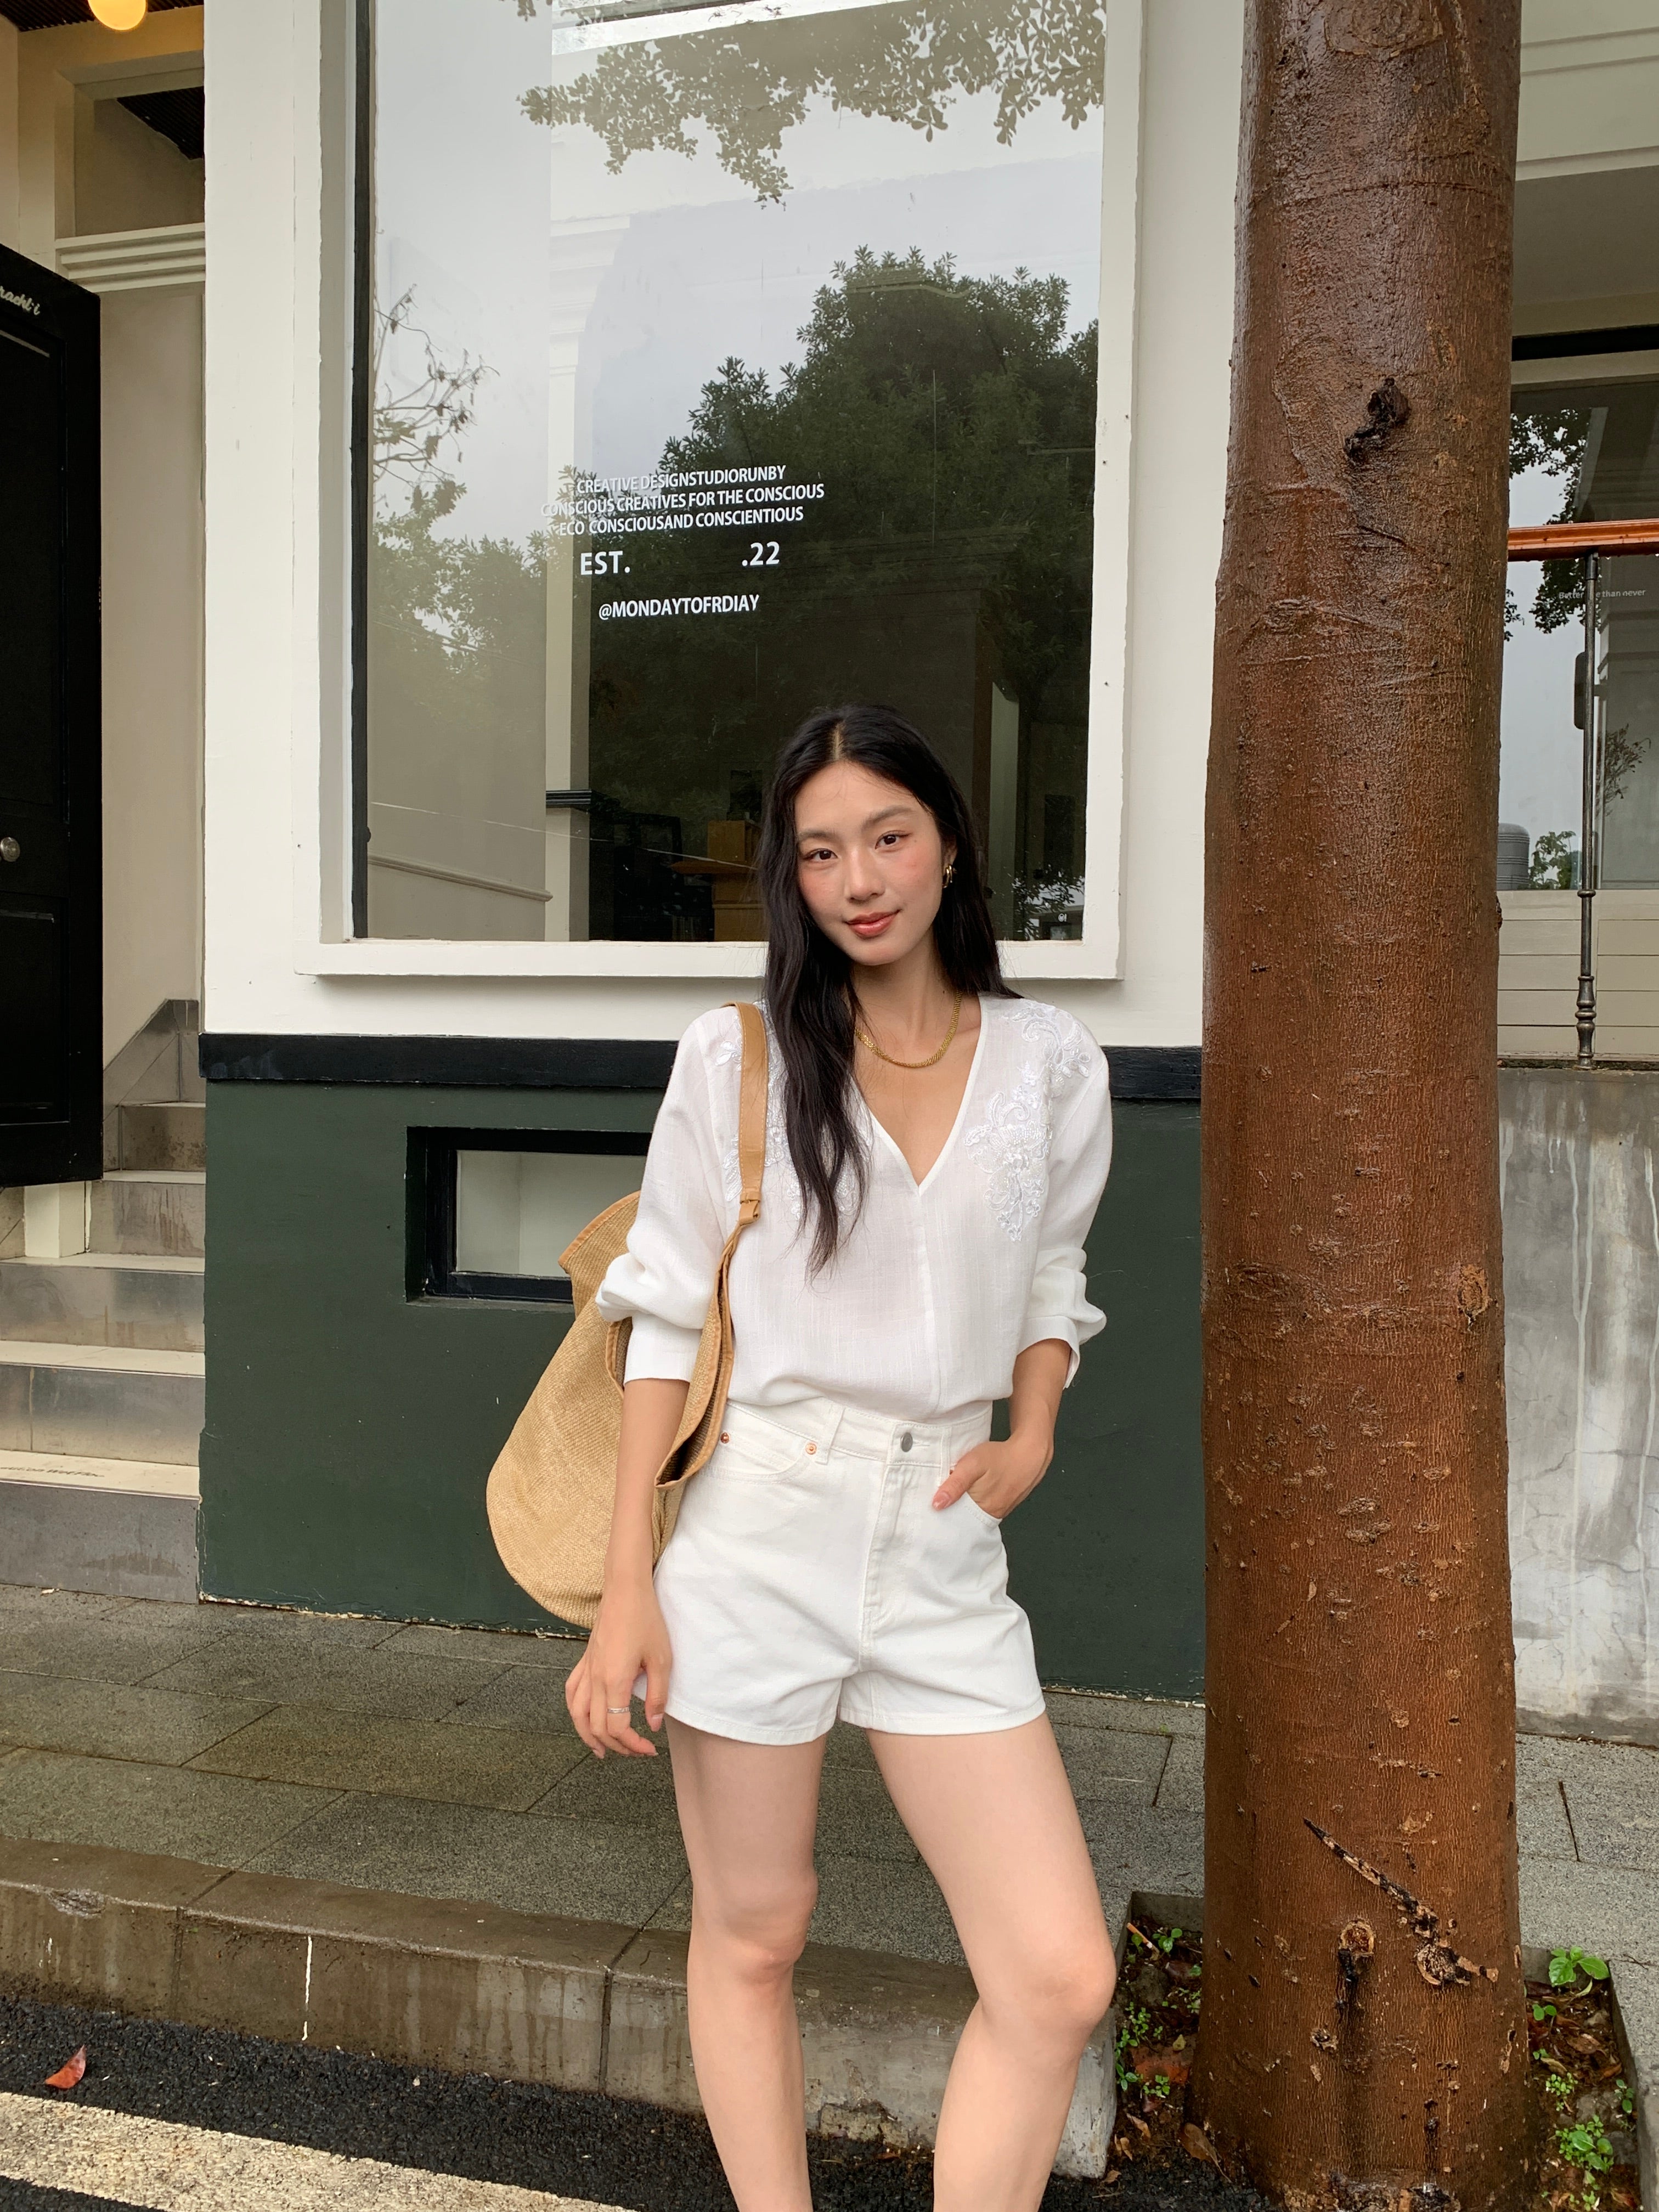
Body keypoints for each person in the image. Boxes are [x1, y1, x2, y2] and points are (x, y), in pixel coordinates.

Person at [565, 702, 1116, 2212]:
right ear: (789, 877)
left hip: (942, 1534)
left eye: (887, 836)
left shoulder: (1050, 1063)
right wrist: (629, 1591)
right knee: (757, 1932)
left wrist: (1035, 1428)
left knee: (1058, 1973)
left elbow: (1053, 1275)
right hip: (760, 1525)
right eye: (820, 853)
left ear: (950, 844)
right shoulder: (738, 1058)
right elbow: (662, 1317)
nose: (859, 880)